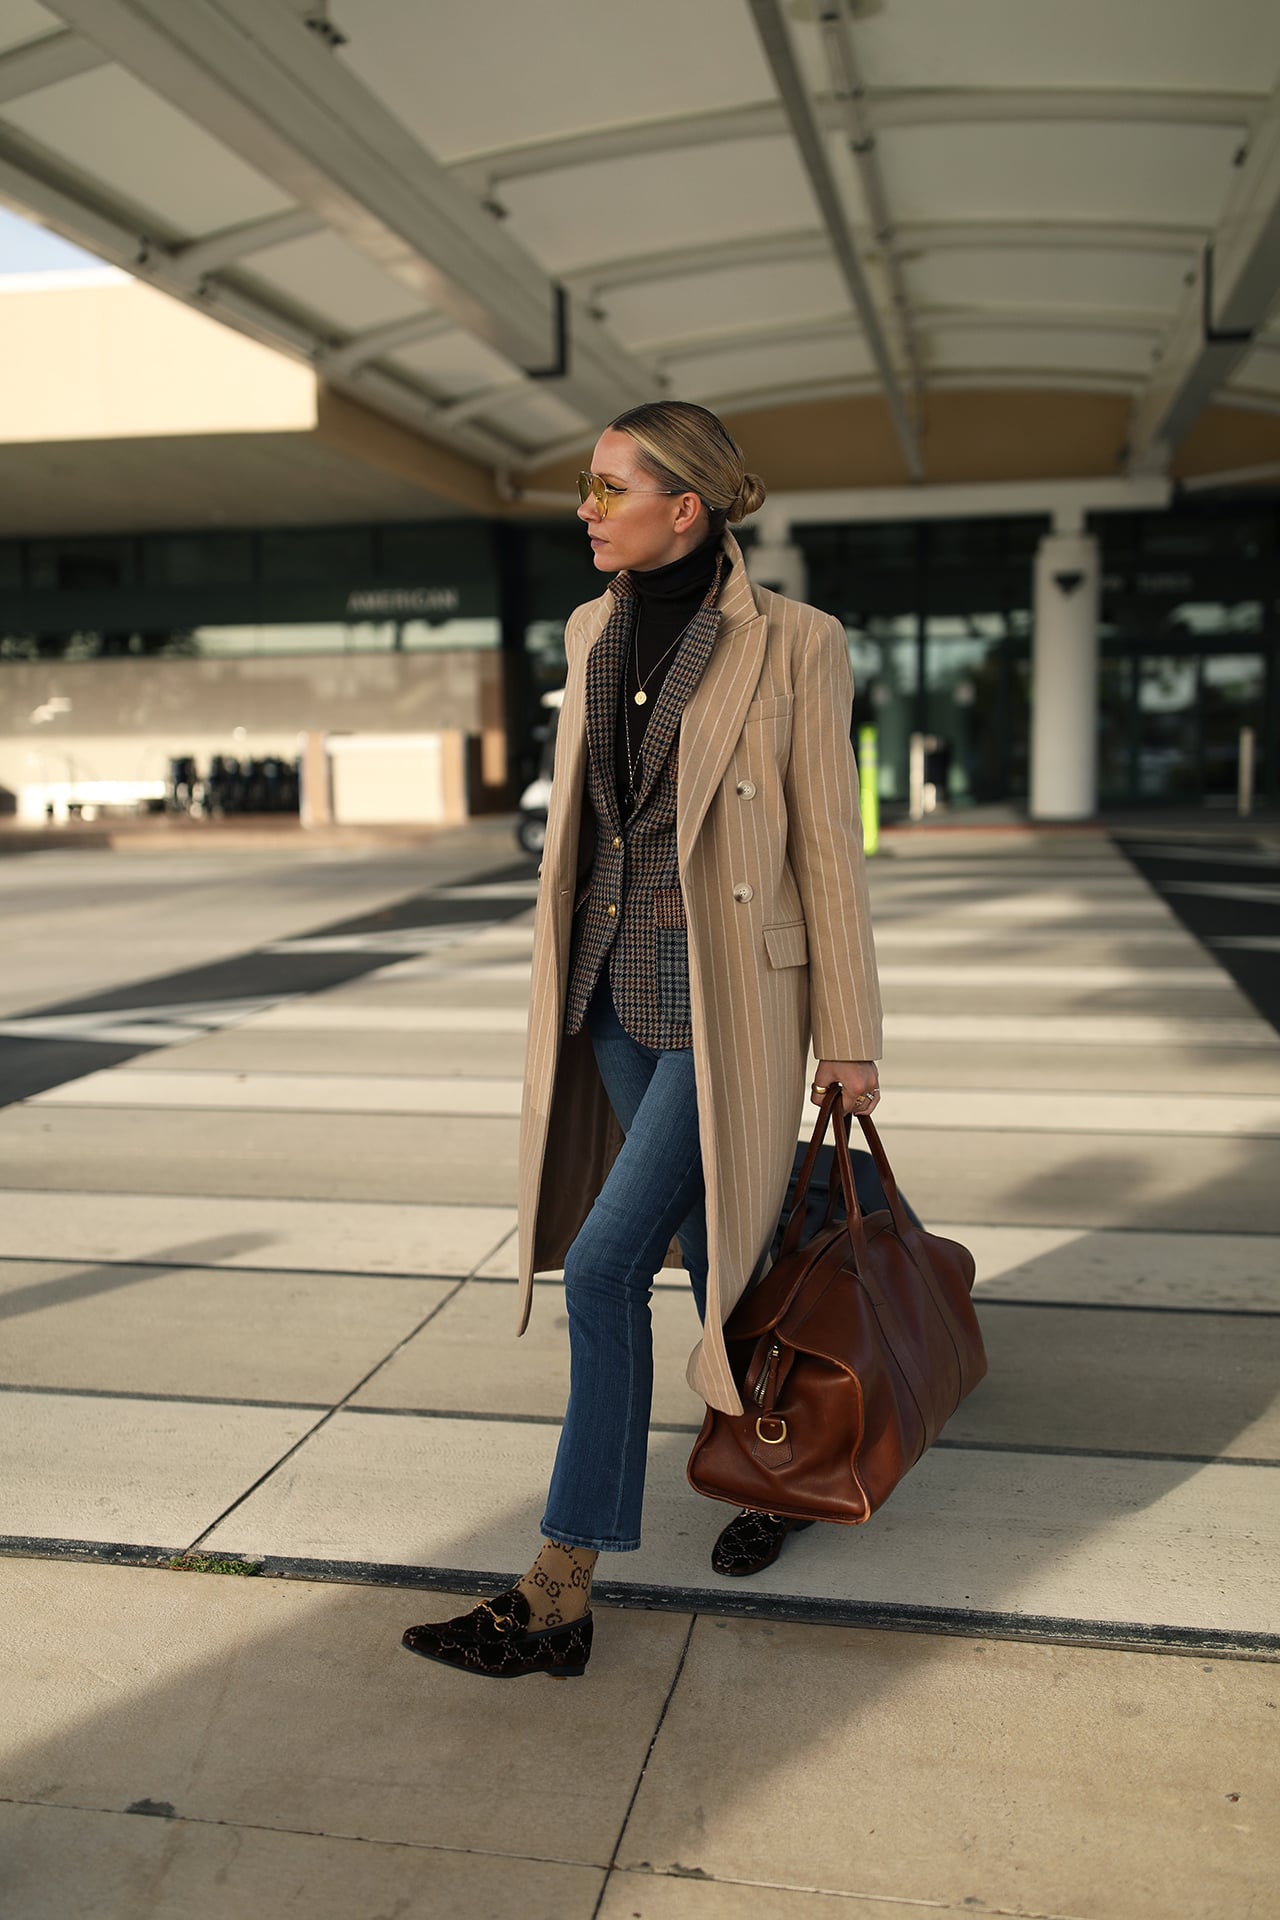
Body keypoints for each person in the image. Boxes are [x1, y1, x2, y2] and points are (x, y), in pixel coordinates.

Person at [402, 402, 882, 1680]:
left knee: (602, 1269)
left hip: (733, 1000)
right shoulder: (589, 629)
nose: (584, 507)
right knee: (698, 1249)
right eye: (585, 485)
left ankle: (557, 1590)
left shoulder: (796, 644)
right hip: (610, 991)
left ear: (689, 507)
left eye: (605, 487)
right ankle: (774, 1471)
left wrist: (848, 1031)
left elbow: (826, 843)